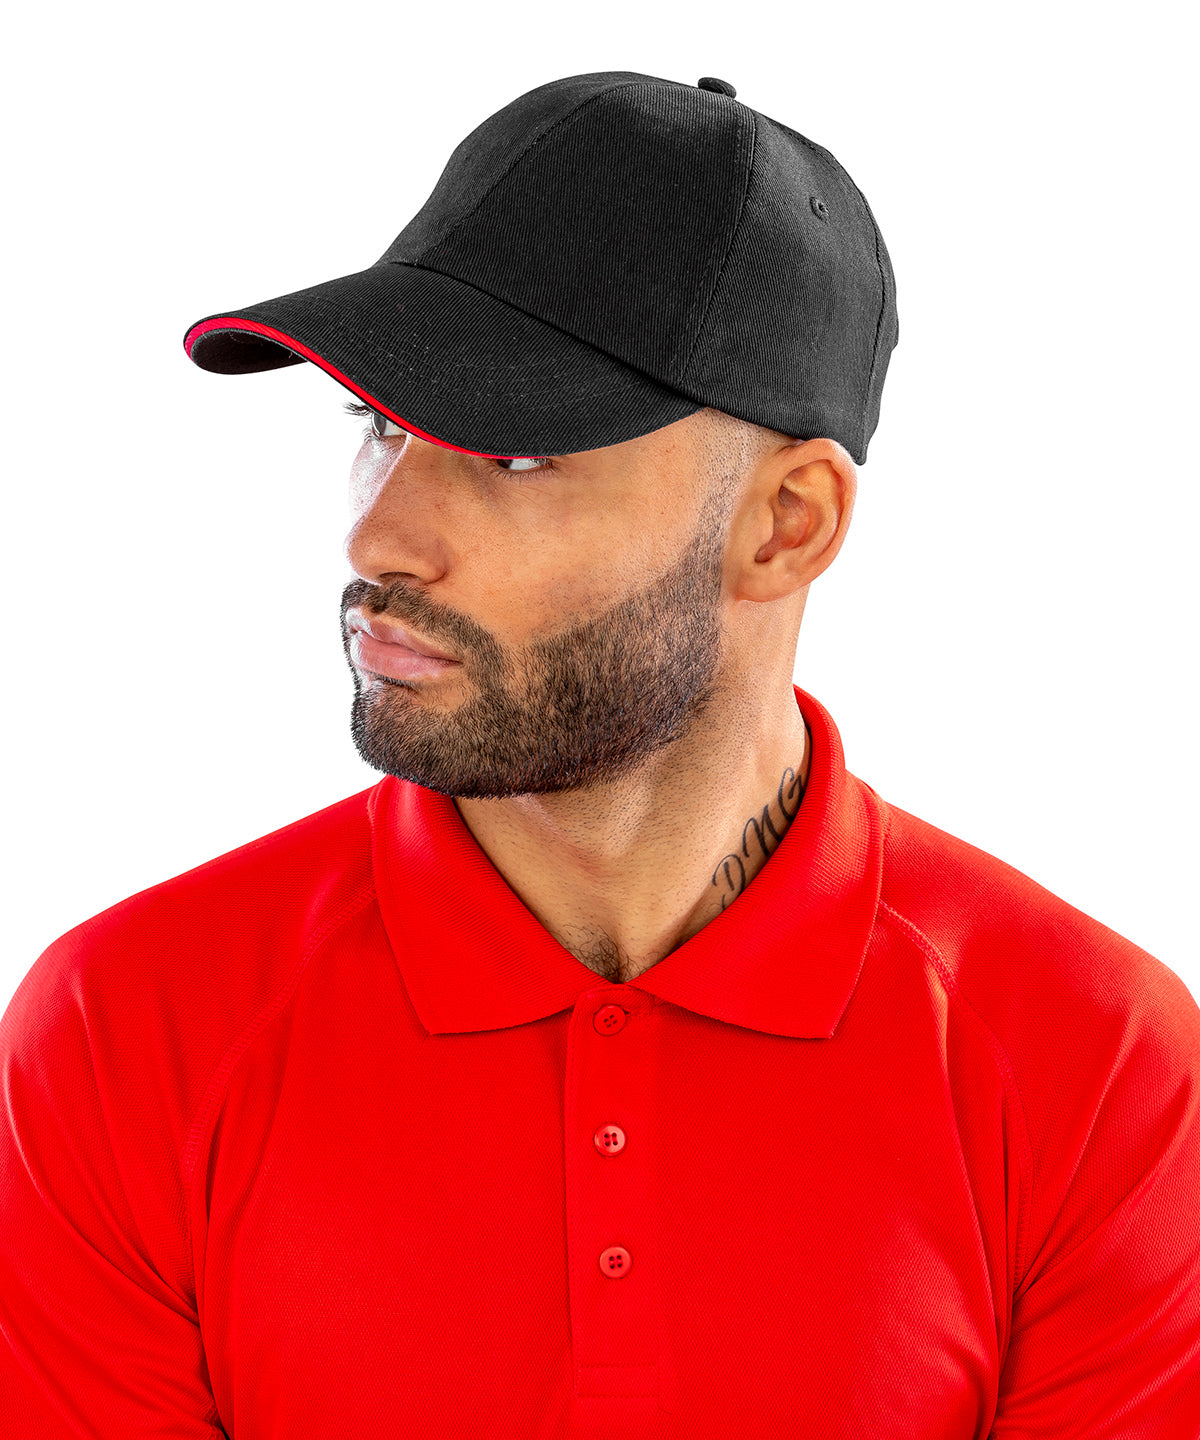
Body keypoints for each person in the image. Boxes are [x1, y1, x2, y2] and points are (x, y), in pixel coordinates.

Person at [2, 69, 1197, 1438]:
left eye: (512, 456)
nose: (378, 539)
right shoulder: (129, 1034)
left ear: (787, 525)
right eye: (379, 425)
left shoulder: (1093, 1067)